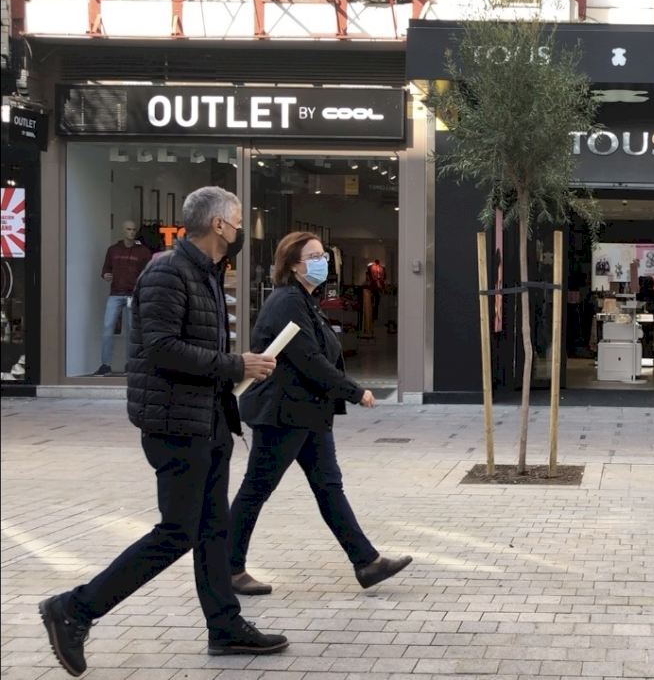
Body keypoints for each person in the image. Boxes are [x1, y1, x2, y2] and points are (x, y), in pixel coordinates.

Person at [39, 187, 288, 678]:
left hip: (208, 421)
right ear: (218, 225)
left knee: (213, 530)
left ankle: (225, 627)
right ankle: (74, 609)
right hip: (175, 425)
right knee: (178, 533)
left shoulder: (206, 272)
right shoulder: (166, 272)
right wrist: (235, 364)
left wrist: (233, 375)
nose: (241, 228)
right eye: (238, 220)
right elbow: (160, 347)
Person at [229, 232, 412, 596]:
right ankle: (227, 569)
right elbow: (308, 359)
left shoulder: (304, 300)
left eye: (323, 255)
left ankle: (367, 562)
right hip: (282, 414)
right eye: (313, 257)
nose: (322, 262)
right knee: (256, 489)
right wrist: (354, 391)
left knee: (328, 486)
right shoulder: (287, 302)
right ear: (293, 265)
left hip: (306, 412)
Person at [95, 220, 153, 375]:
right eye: (128, 229)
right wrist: (106, 275)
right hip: (115, 293)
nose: (131, 232)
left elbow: (149, 272)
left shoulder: (143, 252)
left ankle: (130, 364)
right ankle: (105, 365)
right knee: (107, 327)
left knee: (131, 330)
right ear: (123, 230)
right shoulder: (113, 250)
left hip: (133, 295)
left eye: (133, 230)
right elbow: (106, 268)